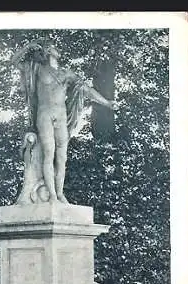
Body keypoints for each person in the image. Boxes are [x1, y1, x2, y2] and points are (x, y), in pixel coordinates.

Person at [12, 39, 115, 203]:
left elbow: (87, 90)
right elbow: (15, 61)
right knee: (49, 153)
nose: (51, 49)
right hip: (44, 114)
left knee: (62, 157)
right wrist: (28, 47)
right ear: (45, 53)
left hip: (61, 115)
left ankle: (60, 194)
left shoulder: (67, 73)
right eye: (48, 47)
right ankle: (52, 195)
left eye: (52, 47)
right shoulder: (37, 69)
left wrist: (106, 103)